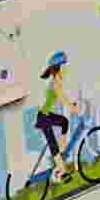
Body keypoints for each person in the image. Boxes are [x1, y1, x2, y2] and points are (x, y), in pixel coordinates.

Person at [35, 52, 73, 182]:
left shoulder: (57, 80)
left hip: (46, 114)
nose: (67, 67)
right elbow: (61, 97)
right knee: (53, 144)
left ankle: (61, 152)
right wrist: (72, 107)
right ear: (59, 67)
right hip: (43, 117)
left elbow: (62, 96)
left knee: (64, 122)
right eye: (65, 65)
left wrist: (71, 104)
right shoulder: (56, 81)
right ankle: (62, 172)